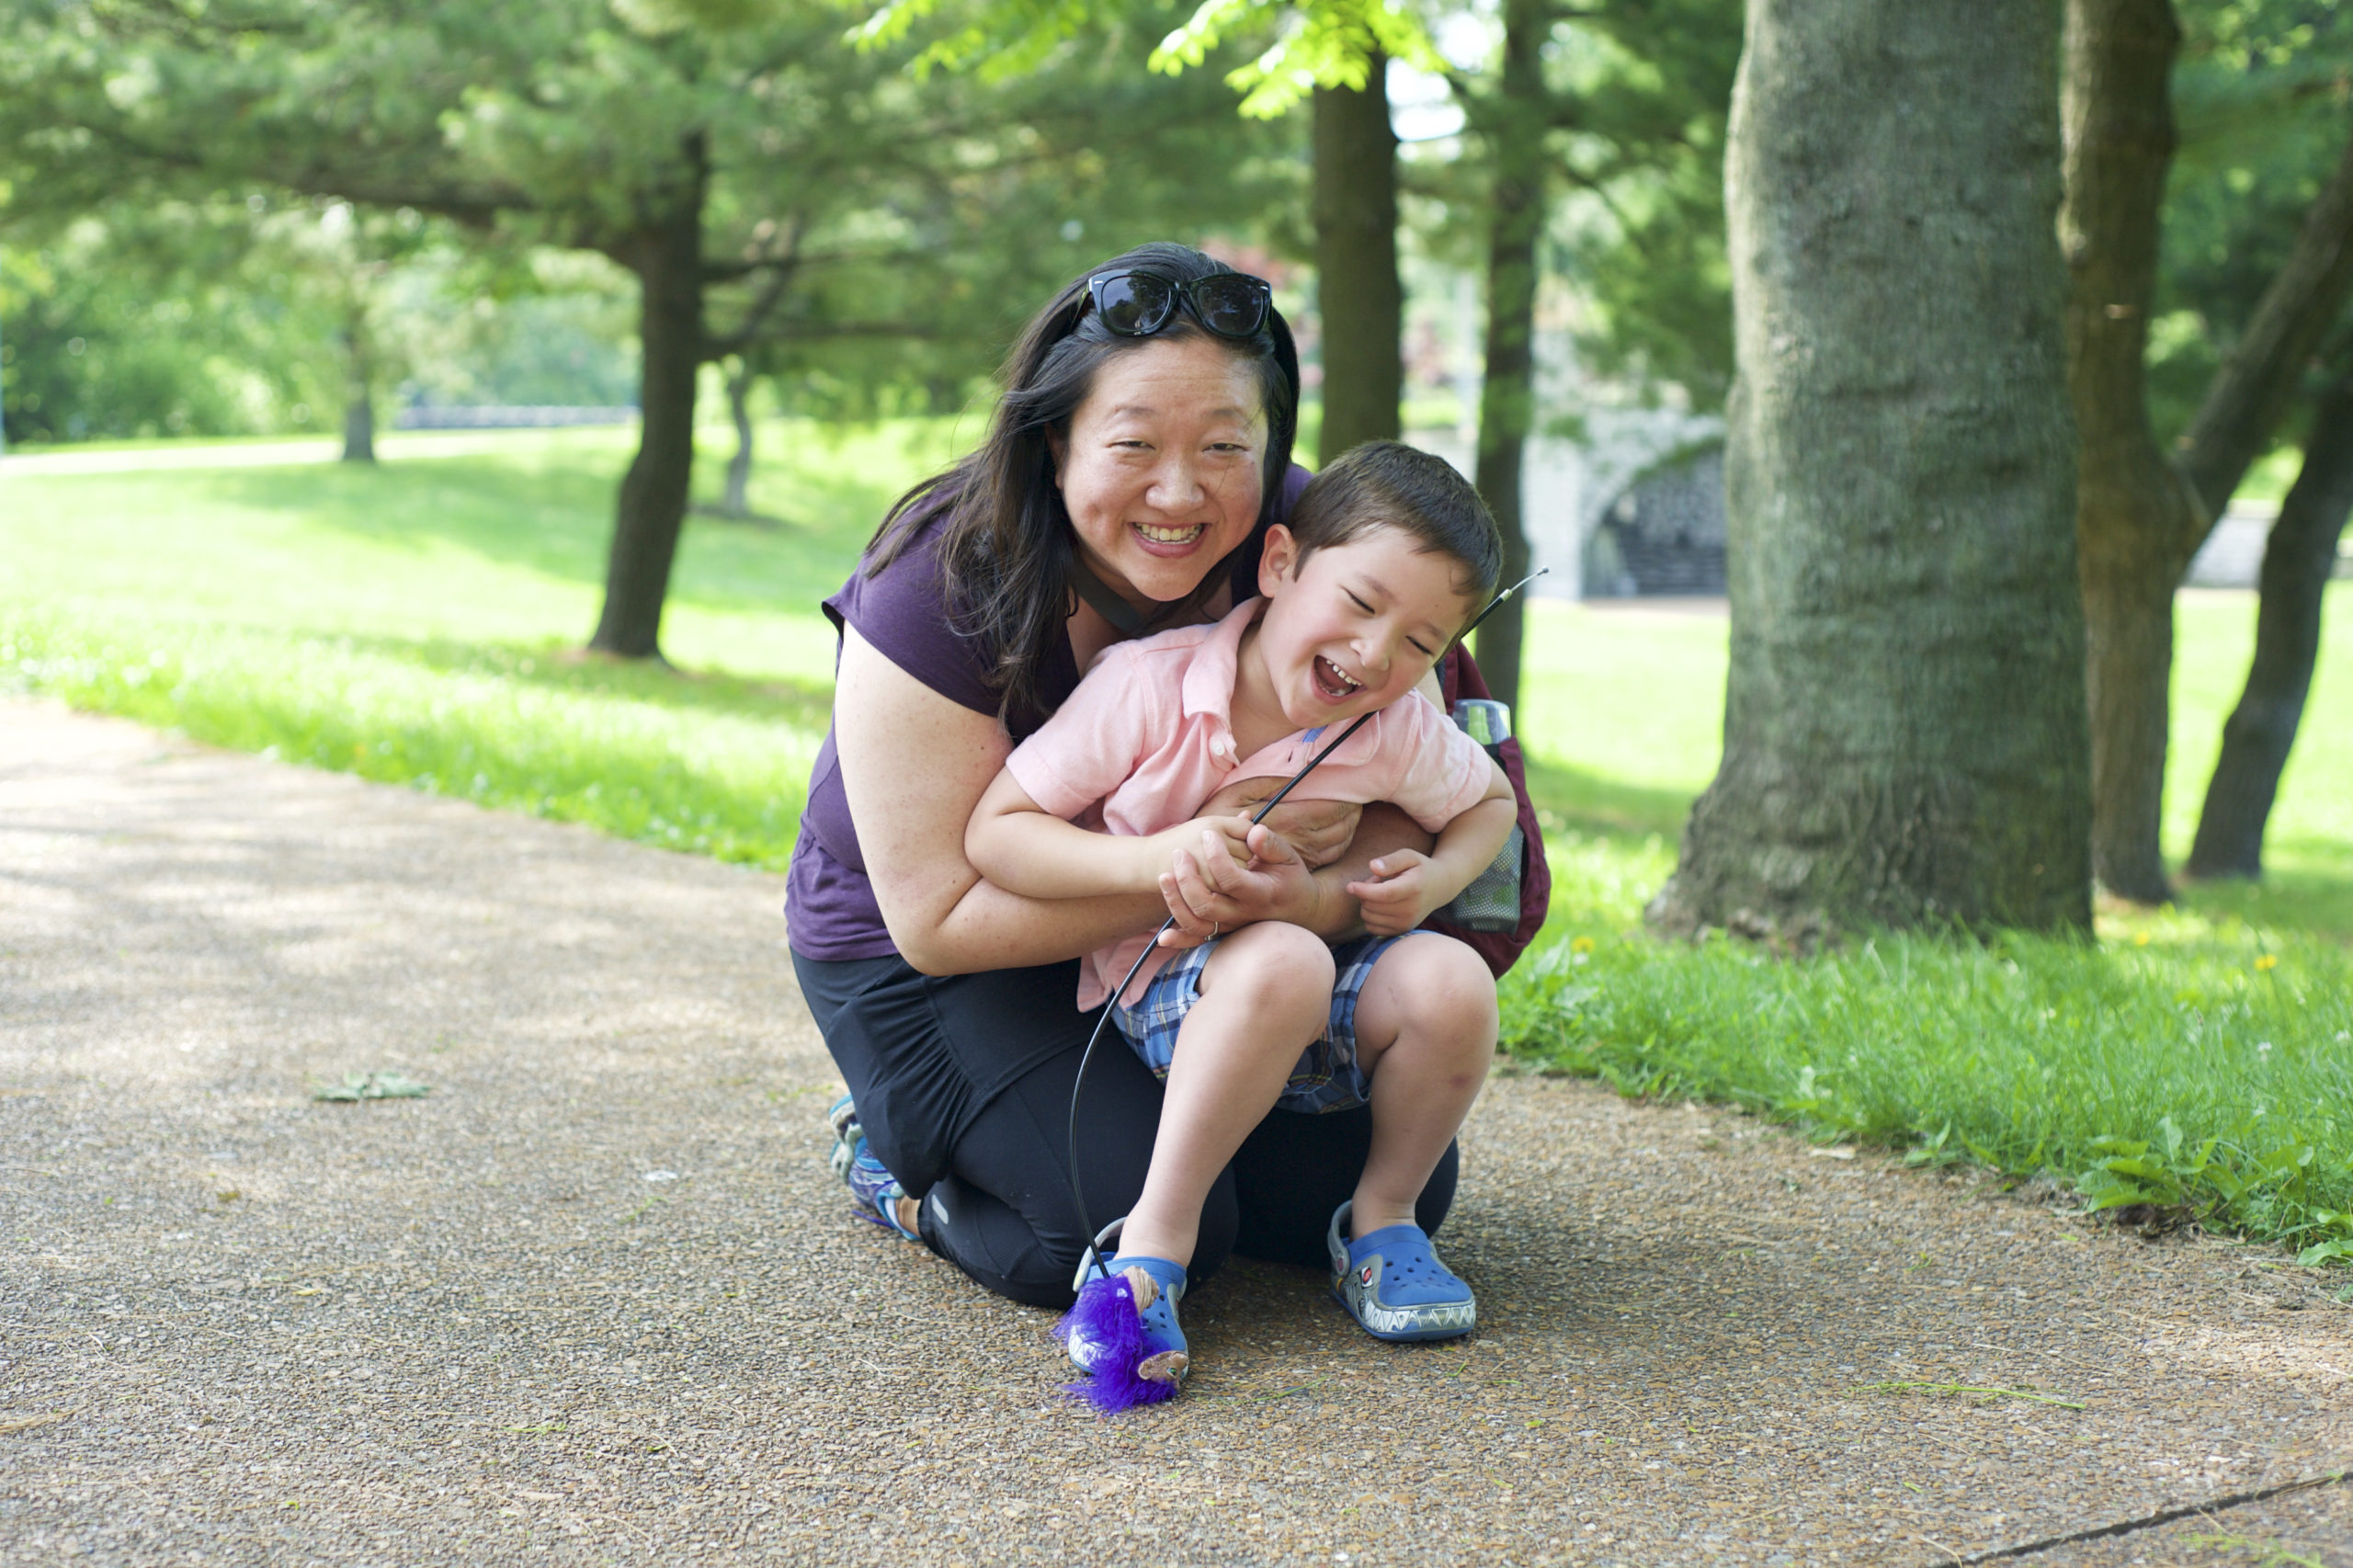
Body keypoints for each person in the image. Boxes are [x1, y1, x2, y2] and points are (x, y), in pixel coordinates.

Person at [788, 241, 1544, 1314]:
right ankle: (895, 1163)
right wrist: (1190, 864)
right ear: (1054, 440)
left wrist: (1308, 899)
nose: (1181, 493)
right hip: (937, 951)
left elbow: (1410, 806)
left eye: (1226, 446)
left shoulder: (1330, 555)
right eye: (1133, 443)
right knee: (1085, 1227)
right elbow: (940, 917)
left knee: (1369, 1189)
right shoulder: (937, 580)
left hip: (1200, 950)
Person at [965, 442, 1514, 1390]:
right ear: (1278, 565)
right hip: (1165, 988)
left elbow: (1488, 803)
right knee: (1283, 961)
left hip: (1312, 994)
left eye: (1422, 643)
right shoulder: (1151, 685)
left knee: (1450, 978)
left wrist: (1433, 881)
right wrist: (1156, 856)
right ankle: (1151, 1247)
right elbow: (997, 830)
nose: (1378, 653)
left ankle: (1383, 1222)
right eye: (1359, 601)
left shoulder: (1394, 723)